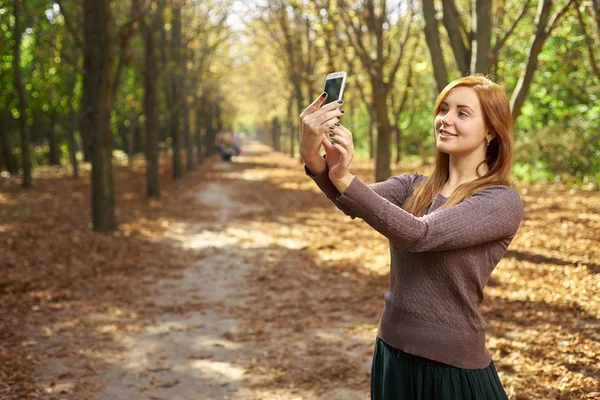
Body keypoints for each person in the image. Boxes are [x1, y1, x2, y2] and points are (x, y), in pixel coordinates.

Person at [299, 74, 522, 399]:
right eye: (443, 109)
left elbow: (420, 235)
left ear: (491, 130)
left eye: (462, 113)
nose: (445, 119)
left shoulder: (499, 200)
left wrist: (345, 177)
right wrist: (312, 156)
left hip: (451, 369)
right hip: (391, 353)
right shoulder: (414, 185)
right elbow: (351, 201)